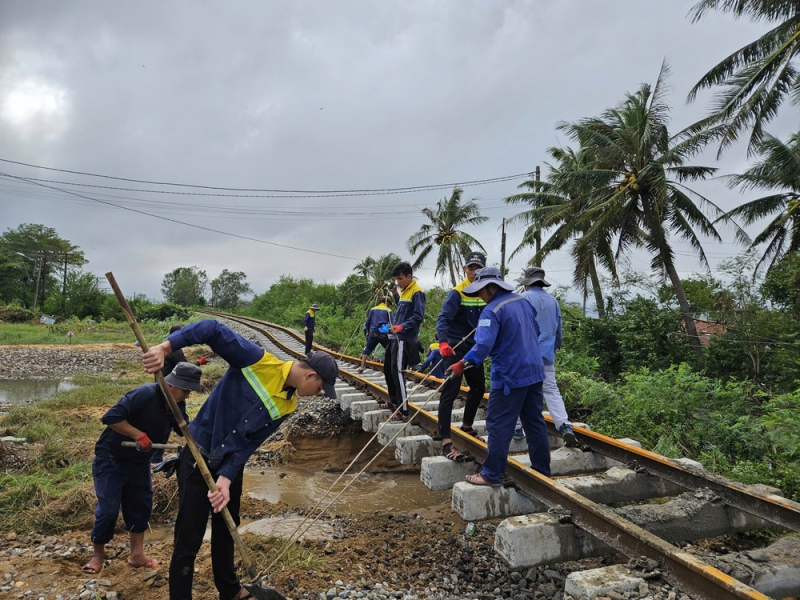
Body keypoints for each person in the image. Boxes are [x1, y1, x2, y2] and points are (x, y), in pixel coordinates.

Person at [141, 319, 339, 600]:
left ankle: (229, 589)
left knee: (228, 526)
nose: (317, 394)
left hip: (229, 465)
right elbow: (211, 329)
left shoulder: (288, 404)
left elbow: (250, 443)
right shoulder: (257, 360)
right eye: (320, 389)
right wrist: (165, 347)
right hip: (198, 455)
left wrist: (226, 477)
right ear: (311, 376)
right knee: (189, 534)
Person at [81, 362, 200, 576]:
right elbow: (110, 417)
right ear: (171, 385)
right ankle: (97, 555)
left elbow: (184, 429)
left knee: (140, 506)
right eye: (185, 390)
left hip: (139, 462)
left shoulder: (177, 405)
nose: (187, 395)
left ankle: (136, 556)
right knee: (108, 510)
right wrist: (138, 435)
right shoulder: (144, 394)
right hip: (112, 459)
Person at [446, 266, 550, 486]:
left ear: (491, 287)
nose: (480, 296)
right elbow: (536, 332)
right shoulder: (523, 302)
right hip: (534, 371)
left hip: (509, 375)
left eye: (481, 291)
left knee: (498, 423)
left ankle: (491, 474)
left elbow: (483, 345)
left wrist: (462, 363)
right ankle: (542, 471)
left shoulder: (491, 311)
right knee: (534, 421)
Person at [517, 266, 578, 447]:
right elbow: (558, 332)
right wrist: (553, 347)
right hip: (546, 355)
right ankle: (565, 425)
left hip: (525, 354)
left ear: (527, 284)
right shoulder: (553, 301)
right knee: (551, 390)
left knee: (520, 390)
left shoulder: (522, 299)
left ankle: (517, 428)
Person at [435, 251, 487, 461]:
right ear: (465, 269)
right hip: (455, 348)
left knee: (478, 387)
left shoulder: (486, 292)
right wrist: (443, 342)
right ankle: (446, 440)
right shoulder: (458, 293)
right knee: (450, 391)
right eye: (471, 268)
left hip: (475, 349)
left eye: (478, 268)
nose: (474, 272)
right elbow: (443, 319)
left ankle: (467, 426)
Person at [384, 261, 426, 421]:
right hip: (397, 337)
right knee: (390, 370)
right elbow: (402, 311)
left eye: (400, 279)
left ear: (409, 277)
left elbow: (418, 316)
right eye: (397, 279)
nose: (398, 282)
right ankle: (396, 402)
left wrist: (402, 327)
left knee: (399, 373)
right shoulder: (404, 292)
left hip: (405, 338)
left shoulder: (417, 292)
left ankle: (404, 410)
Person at [358, 296, 393, 373]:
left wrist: (366, 333)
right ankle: (389, 368)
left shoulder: (373, 309)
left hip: (373, 333)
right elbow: (393, 323)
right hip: (383, 334)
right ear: (387, 303)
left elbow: (367, 323)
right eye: (389, 304)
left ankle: (361, 367)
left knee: (367, 349)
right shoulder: (388, 310)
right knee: (389, 349)